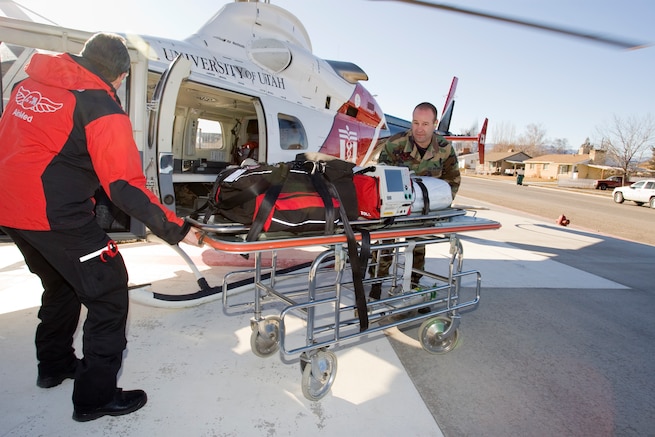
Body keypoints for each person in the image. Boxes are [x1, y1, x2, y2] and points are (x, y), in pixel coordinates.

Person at [0, 33, 199, 422]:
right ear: (122, 77)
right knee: (107, 291)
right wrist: (175, 227)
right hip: (55, 216)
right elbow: (123, 185)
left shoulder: (30, 85)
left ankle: (54, 365)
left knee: (61, 284)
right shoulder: (100, 106)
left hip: (11, 211)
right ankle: (95, 398)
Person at [369, 102, 460, 299]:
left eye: (425, 124)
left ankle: (414, 287)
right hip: (394, 207)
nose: (419, 128)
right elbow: (381, 177)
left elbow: (452, 181)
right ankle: (376, 283)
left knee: (418, 248)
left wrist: (440, 205)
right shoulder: (396, 144)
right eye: (416, 122)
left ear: (435, 124)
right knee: (384, 246)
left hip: (423, 210)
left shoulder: (444, 149)